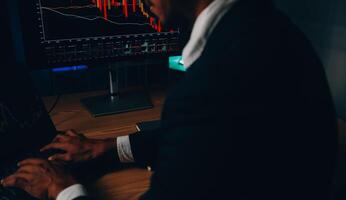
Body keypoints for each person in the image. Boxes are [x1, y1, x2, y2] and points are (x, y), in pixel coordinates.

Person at [1, 0, 338, 199]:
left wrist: (63, 189)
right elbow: (217, 136)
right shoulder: (263, 28)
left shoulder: (209, 86)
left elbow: (207, 119)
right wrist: (110, 148)